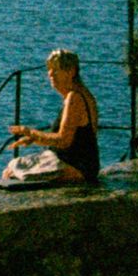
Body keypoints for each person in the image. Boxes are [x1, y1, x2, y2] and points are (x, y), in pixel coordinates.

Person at [8, 48, 100, 184]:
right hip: (81, 164)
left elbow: (64, 140)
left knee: (11, 173)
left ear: (71, 71)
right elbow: (77, 138)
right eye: (49, 69)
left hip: (77, 167)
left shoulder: (74, 98)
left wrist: (31, 132)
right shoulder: (84, 94)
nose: (51, 74)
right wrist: (34, 139)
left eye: (56, 69)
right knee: (13, 168)